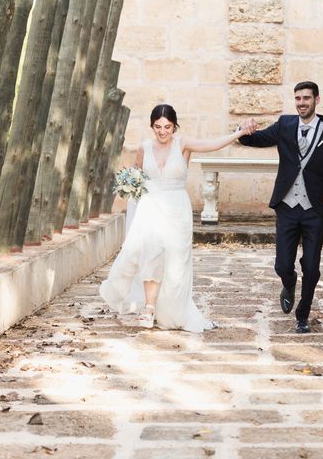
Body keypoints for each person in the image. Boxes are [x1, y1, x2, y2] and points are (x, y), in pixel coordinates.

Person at [100, 104, 255, 331]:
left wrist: (239, 132)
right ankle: (149, 308)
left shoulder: (183, 145)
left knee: (175, 262)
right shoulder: (144, 148)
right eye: (157, 127)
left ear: (175, 126)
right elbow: (136, 174)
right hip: (150, 208)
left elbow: (211, 145)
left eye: (167, 127)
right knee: (151, 254)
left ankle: (172, 310)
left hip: (177, 210)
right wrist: (129, 184)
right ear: (152, 126)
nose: (163, 132)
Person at [238, 81, 323, 333]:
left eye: (306, 98)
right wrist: (242, 129)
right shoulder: (285, 125)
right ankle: (288, 282)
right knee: (281, 265)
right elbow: (254, 140)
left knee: (311, 267)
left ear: (317, 100)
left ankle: (303, 314)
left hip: (314, 209)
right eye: (298, 98)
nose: (301, 103)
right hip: (287, 206)